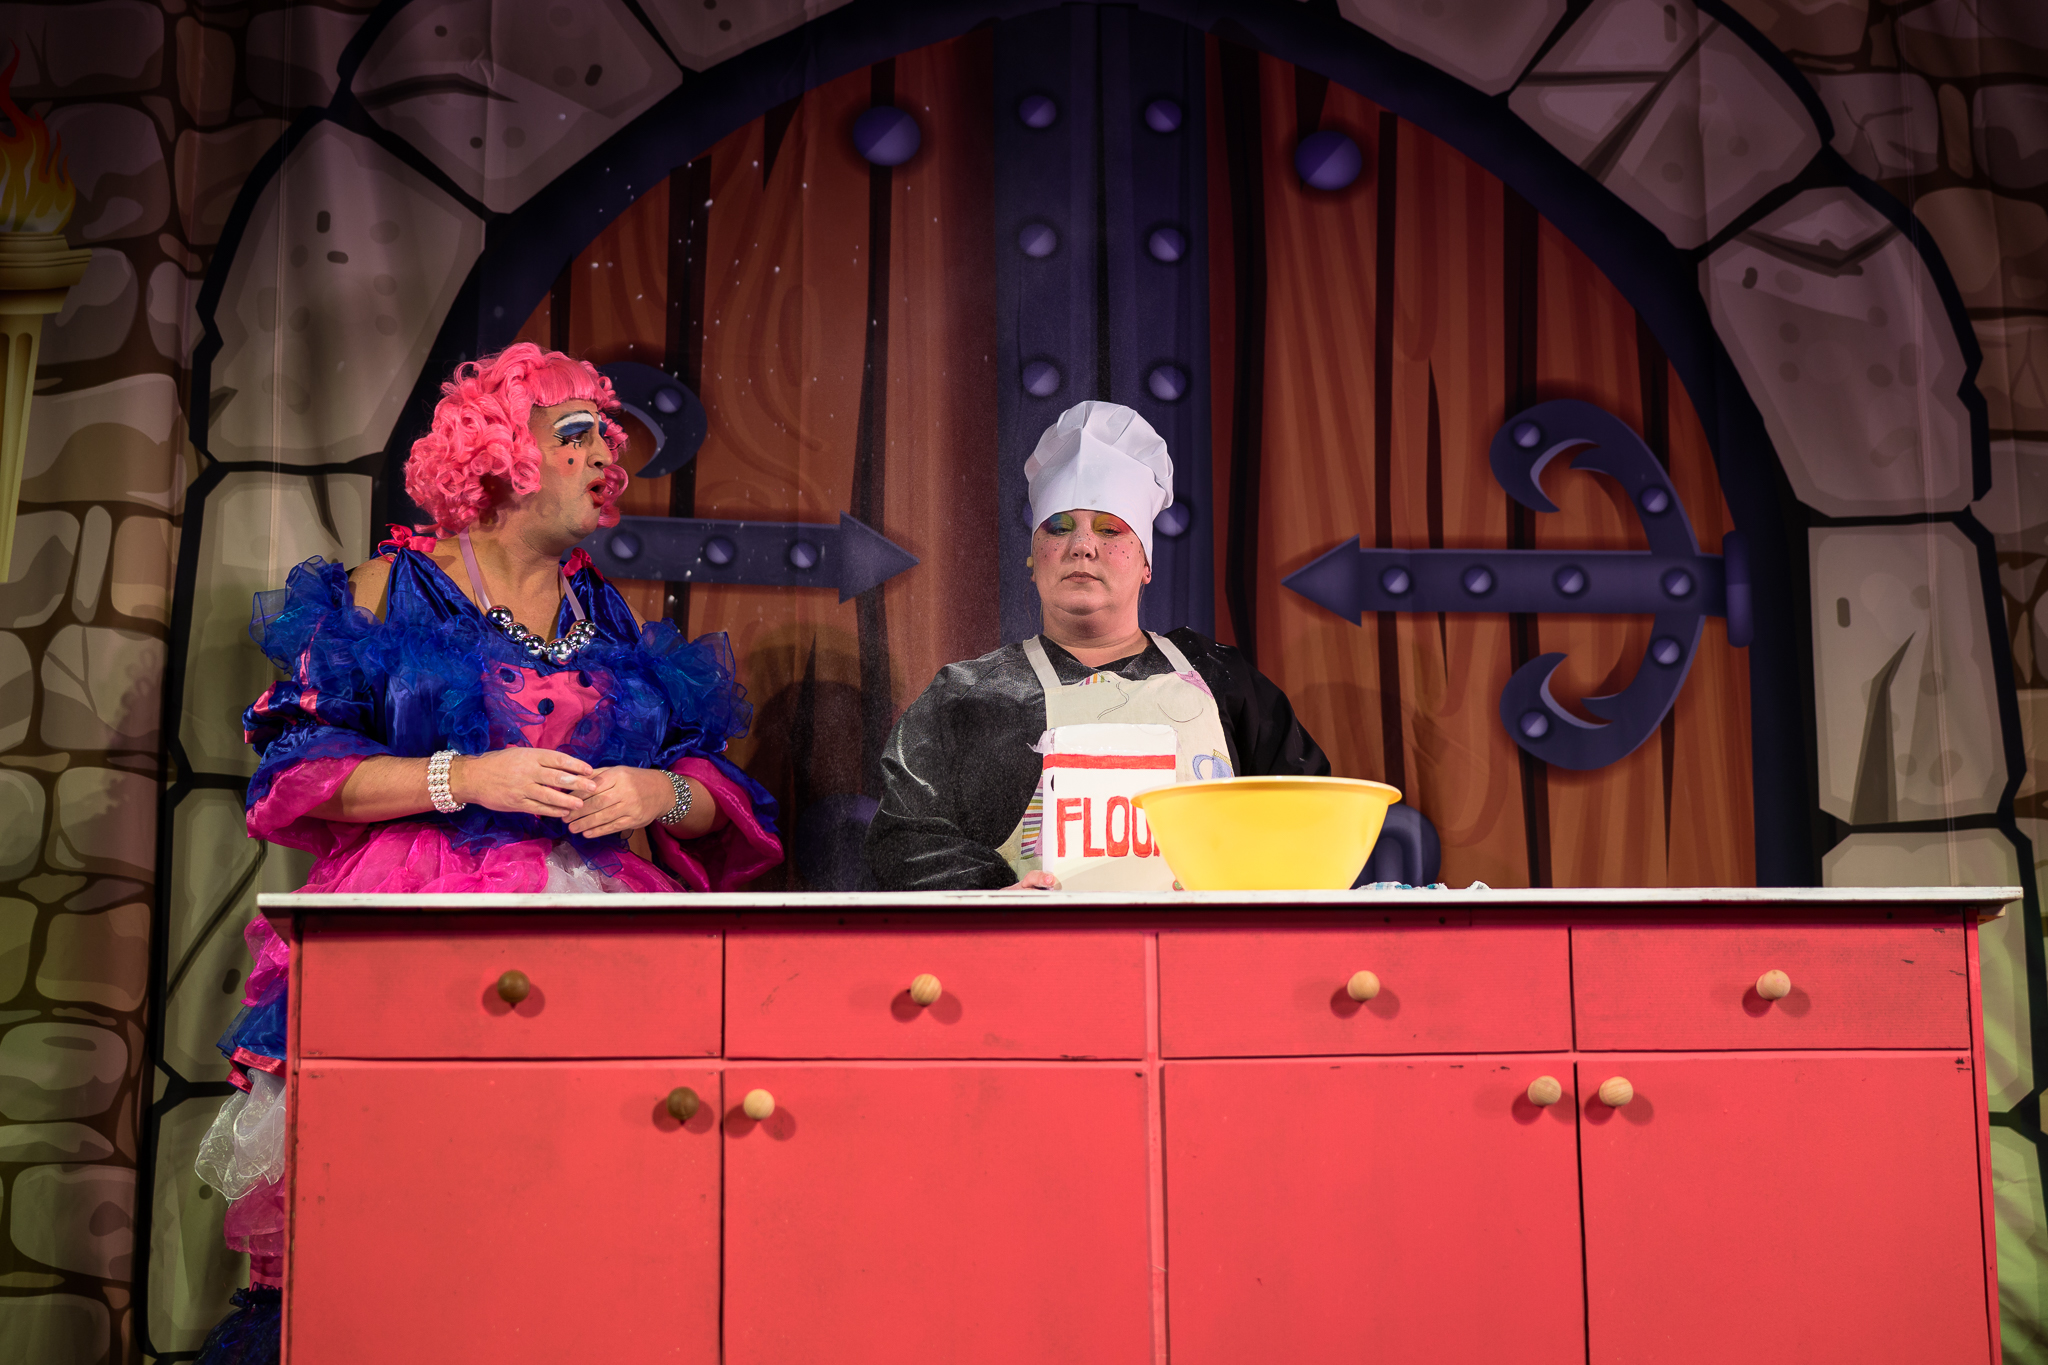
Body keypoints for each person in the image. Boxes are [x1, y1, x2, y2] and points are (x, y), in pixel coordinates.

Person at [192, 343, 780, 1363]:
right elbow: (292, 772)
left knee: (578, 1203)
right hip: (419, 924)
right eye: (577, 433)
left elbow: (710, 791)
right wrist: (461, 777)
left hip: (598, 931)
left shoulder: (610, 617)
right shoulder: (387, 592)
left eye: (610, 437)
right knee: (406, 1208)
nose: (608, 456)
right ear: (498, 452)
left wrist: (660, 793)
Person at [865, 400, 1327, 891]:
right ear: (1034, 559)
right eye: (1059, 528)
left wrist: (1234, 880)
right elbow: (902, 838)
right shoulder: (966, 697)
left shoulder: (1221, 680)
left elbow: (1311, 817)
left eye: (1110, 530)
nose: (1082, 546)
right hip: (1030, 941)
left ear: (1146, 564)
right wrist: (992, 895)